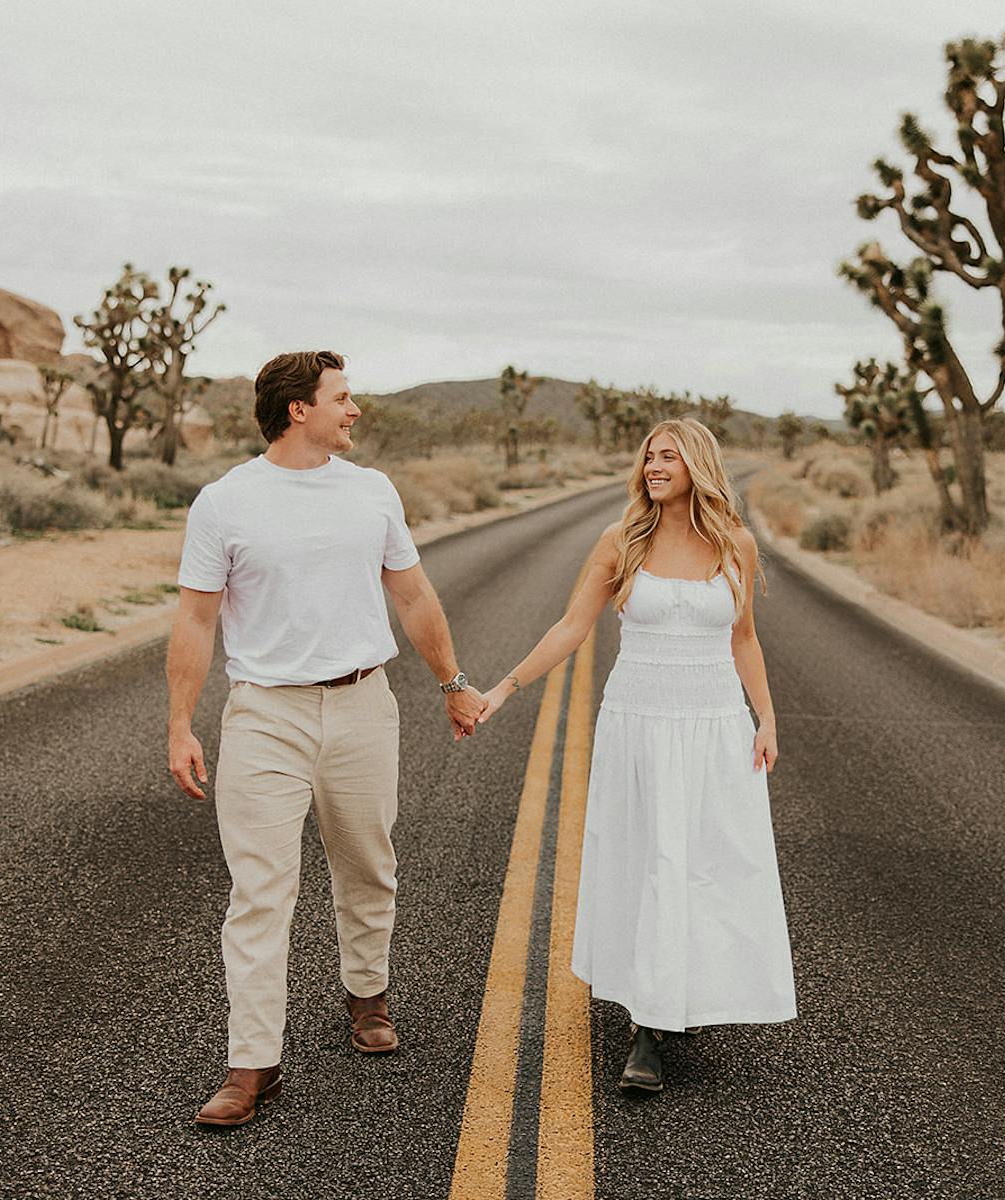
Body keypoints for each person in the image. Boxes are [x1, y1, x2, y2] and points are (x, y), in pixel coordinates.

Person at [166, 350, 486, 1127]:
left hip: (361, 706)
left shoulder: (371, 491)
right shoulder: (225, 501)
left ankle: (366, 993)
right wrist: (179, 722)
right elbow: (196, 617)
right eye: (342, 398)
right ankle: (251, 1066)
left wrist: (450, 682)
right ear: (297, 409)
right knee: (259, 893)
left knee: (367, 865)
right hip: (264, 716)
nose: (355, 410)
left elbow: (411, 594)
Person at [478, 417, 796, 1093]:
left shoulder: (733, 543)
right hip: (638, 724)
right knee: (651, 861)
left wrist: (764, 718)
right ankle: (648, 1028)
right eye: (649, 456)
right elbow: (571, 627)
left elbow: (742, 639)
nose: (654, 466)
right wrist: (504, 687)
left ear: (697, 467)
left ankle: (683, 991)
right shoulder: (619, 541)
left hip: (713, 724)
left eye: (668, 457)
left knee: (705, 864)